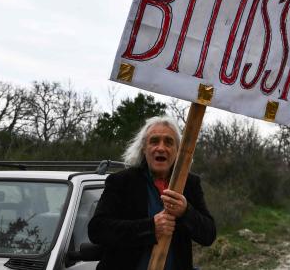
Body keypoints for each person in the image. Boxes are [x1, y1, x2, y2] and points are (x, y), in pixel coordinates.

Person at [88, 116, 216, 270]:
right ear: (144, 148)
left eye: (169, 142)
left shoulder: (190, 184)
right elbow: (97, 230)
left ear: (178, 150)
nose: (161, 148)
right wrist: (150, 227)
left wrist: (185, 211)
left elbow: (208, 235)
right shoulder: (121, 182)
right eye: (154, 141)